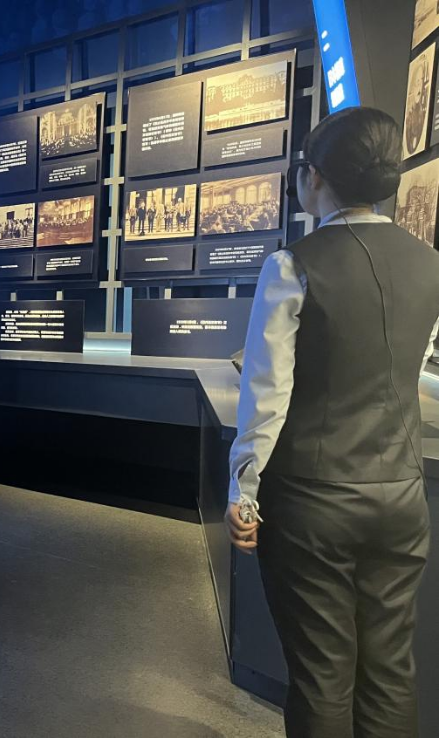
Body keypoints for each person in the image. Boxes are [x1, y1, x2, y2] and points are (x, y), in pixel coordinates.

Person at [225, 107, 439, 738]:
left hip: (312, 502)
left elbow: (266, 393)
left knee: (322, 674)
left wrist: (244, 489)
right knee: (391, 672)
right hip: (402, 497)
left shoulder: (292, 265)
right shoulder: (431, 262)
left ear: (313, 176)